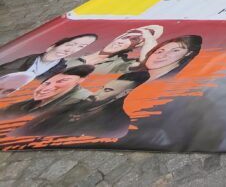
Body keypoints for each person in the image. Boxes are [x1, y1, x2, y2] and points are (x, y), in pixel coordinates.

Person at [19, 70, 149, 140]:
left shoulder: (117, 121)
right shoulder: (80, 104)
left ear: (124, 94)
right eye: (102, 87)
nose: (96, 93)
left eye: (107, 90)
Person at [0, 65, 94, 118]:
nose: (46, 88)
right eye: (46, 83)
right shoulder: (17, 106)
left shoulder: (82, 101)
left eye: (61, 81)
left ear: (80, 80)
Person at [69, 26, 162, 74]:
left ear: (134, 47)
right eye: (126, 37)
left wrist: (148, 37)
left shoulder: (119, 64)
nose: (122, 41)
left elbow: (147, 63)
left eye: (134, 40)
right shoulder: (83, 45)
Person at [0, 34, 97, 79]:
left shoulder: (59, 69)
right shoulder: (24, 57)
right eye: (70, 45)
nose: (70, 50)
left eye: (80, 47)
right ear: (52, 47)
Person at [135, 35, 202, 81]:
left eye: (175, 51)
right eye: (159, 51)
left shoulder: (180, 83)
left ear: (188, 53)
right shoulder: (132, 78)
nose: (162, 56)